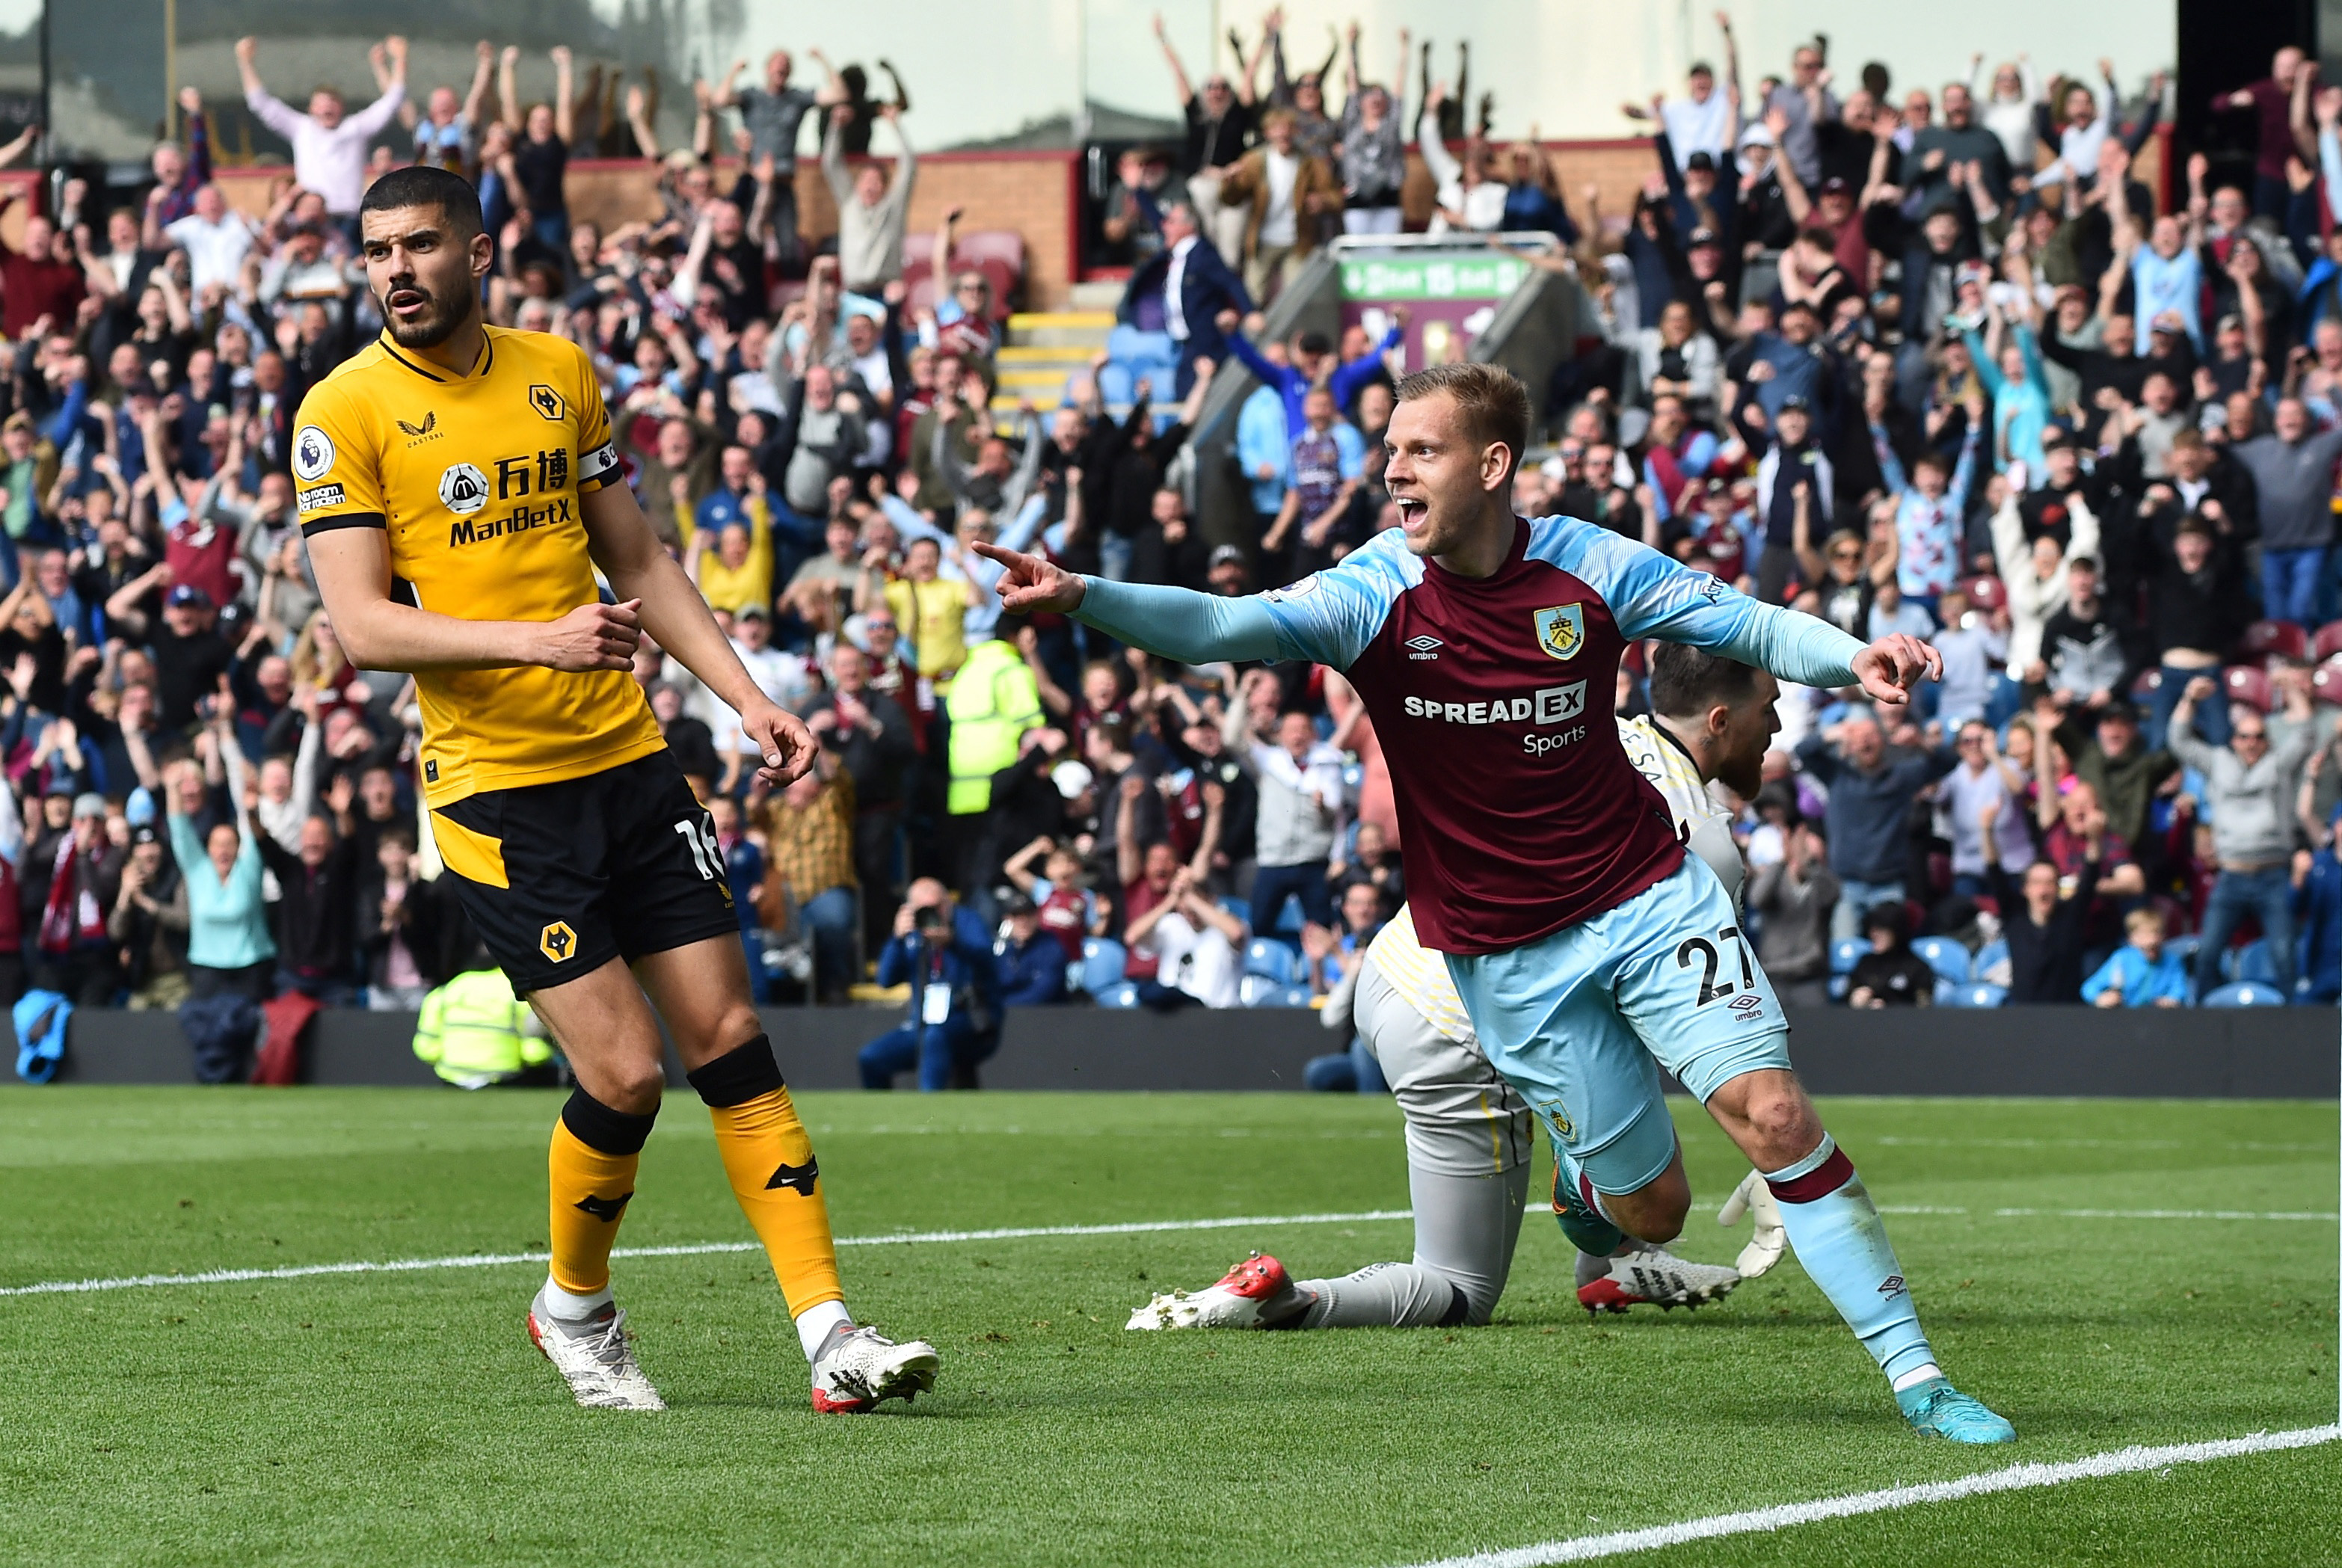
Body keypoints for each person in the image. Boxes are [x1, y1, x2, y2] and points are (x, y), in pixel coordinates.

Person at [979, 360, 2014, 1442]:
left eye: (1419, 451)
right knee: (1650, 1209)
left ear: (1493, 464)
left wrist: (1859, 656)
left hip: (1645, 892)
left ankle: (1918, 1376)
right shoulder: (1373, 594)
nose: (1393, 471)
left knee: (1775, 1114)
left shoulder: (1590, 566)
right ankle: (1590, 1191)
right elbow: (1215, 626)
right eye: (1391, 451)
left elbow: (1746, 624)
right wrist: (1085, 595)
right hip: (1507, 959)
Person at [292, 166, 935, 1414]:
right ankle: (574, 1309)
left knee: (731, 1041)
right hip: (497, 795)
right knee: (629, 1073)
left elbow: (638, 555)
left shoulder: (556, 371)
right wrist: (538, 640)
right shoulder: (345, 407)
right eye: (374, 251)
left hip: (633, 764)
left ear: (482, 248)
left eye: (420, 244)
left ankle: (830, 1334)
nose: (394, 271)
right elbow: (361, 625)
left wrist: (742, 698)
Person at [1134, 642, 1780, 1332]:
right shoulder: (1704, 846)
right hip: (1468, 1021)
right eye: (1769, 707)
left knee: (1596, 1088)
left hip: (1396, 966)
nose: (1777, 728)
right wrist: (1772, 1153)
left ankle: (1612, 1260)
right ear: (1720, 718)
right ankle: (1286, 1299)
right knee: (1460, 1286)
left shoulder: (1579, 730)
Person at [2168, 676, 2314, 1000]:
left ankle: (2296, 1028)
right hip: (2232, 874)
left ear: (2267, 740)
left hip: (2273, 873)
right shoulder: (2218, 762)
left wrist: (2290, 690)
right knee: (2207, 953)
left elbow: (2306, 734)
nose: (2251, 743)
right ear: (2234, 740)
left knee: (2284, 956)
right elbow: (2178, 740)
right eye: (2244, 736)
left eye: (2259, 737)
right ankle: (2204, 1021)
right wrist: (2190, 699)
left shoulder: (2278, 765)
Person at [1795, 710, 1956, 944]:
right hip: (1846, 883)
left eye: (1871, 735)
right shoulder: (1837, 774)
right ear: (1849, 744)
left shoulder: (1900, 777)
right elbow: (1802, 751)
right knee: (1845, 950)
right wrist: (1834, 733)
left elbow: (1949, 761)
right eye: (1859, 736)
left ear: (1883, 741)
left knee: (1892, 953)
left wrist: (1920, 741)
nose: (1865, 741)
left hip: (1888, 883)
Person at [236, 35, 408, 229]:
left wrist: (400, 59)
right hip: (311, 217)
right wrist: (245, 62)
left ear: (341, 107)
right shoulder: (301, 128)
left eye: (332, 103)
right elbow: (260, 103)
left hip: (349, 217)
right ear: (311, 109)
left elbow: (393, 101)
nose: (327, 108)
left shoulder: (355, 128)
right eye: (320, 103)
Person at [858, 879, 1002, 1089]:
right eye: (925, 909)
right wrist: (897, 938)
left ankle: (930, 1113)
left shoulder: (967, 921)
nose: (934, 915)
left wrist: (952, 942)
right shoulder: (912, 936)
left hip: (969, 1022)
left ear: (948, 903)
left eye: (938, 906)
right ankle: (882, 1118)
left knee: (935, 1036)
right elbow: (886, 980)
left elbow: (987, 961)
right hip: (923, 1024)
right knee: (871, 1058)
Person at [1978, 795, 2097, 1005]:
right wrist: (1987, 830)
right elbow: (1994, 871)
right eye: (2037, 883)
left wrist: (2096, 837)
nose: (2043, 890)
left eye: (2050, 883)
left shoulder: (2070, 917)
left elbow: (2091, 874)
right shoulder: (2015, 916)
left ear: (2058, 888)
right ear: (2025, 889)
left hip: (2068, 1017)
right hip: (2025, 1019)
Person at [413, 954, 556, 1087]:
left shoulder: (444, 992)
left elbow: (426, 1049)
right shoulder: (517, 992)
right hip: (505, 1079)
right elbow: (534, 1053)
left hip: (452, 1078)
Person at [2081, 908, 2190, 1008]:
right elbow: (2089, 987)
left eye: (2156, 933)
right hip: (2126, 1018)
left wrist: (2172, 1000)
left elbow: (2180, 989)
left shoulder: (2172, 961)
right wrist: (2100, 998)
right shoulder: (2122, 959)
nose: (2151, 940)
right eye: (2144, 935)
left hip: (2159, 1019)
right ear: (2131, 938)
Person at [1845, 903, 1936, 1007]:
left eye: (1882, 929)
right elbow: (1840, 1005)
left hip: (1901, 1022)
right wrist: (1854, 1000)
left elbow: (1924, 1010)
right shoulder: (1865, 963)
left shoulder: (1918, 968)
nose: (1874, 934)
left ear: (1896, 931)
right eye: (1872, 928)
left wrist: (1888, 1008)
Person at [994, 892, 1068, 1006]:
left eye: (1028, 915)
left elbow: (1043, 992)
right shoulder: (1005, 950)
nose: (1023, 922)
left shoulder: (1051, 948)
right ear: (1008, 919)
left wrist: (1002, 1006)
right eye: (1017, 917)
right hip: (1011, 1016)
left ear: (1037, 916)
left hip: (1047, 1017)